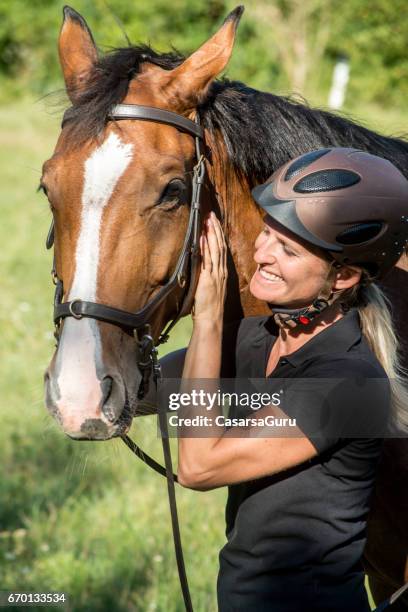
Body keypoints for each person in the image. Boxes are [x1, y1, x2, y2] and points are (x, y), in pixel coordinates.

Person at [174, 148, 408, 611]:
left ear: (341, 276)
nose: (261, 255)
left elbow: (198, 466)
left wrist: (207, 321)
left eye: (288, 248)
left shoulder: (351, 383)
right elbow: (142, 390)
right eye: (266, 232)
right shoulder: (258, 340)